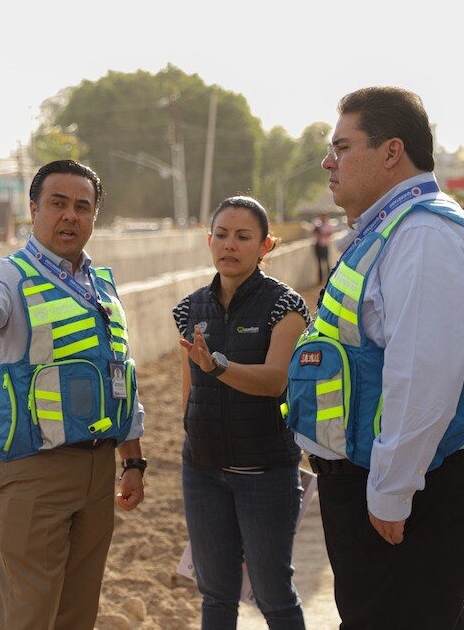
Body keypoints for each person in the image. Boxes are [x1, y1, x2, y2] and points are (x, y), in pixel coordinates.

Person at [285, 87, 464, 629]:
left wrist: (390, 491)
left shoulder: (425, 235)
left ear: (391, 152)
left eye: (342, 145)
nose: (327, 160)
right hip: (389, 477)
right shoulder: (389, 230)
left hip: (421, 485)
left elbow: (422, 379)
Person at [0, 159, 147, 628]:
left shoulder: (103, 286)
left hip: (98, 471)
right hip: (32, 475)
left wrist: (132, 461)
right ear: (33, 209)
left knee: (78, 614)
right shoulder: (10, 276)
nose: (70, 216)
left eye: (82, 207)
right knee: (30, 615)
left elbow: (120, 378)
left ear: (93, 217)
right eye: (57, 204)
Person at [173, 195, 308, 629]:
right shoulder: (190, 309)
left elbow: (275, 380)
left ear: (266, 245)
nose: (230, 245)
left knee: (274, 595)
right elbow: (188, 389)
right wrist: (192, 440)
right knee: (215, 595)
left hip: (266, 474)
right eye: (222, 235)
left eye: (243, 237)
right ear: (208, 240)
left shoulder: (285, 307)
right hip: (203, 473)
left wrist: (218, 365)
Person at [309, 212, 336, 283]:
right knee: (319, 263)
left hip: (325, 245)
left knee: (326, 262)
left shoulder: (328, 225)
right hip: (318, 245)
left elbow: (330, 233)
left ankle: (328, 278)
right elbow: (312, 233)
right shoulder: (317, 225)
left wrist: (322, 233)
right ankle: (320, 280)